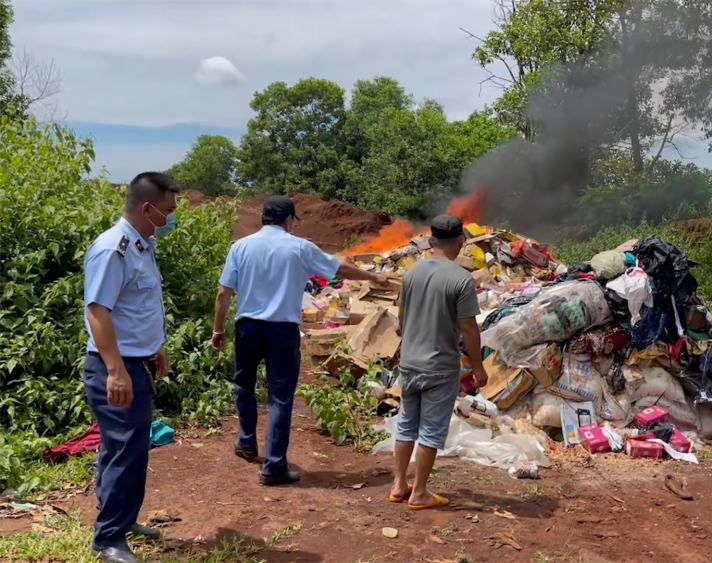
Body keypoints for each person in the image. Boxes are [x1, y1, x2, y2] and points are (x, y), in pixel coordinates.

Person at [211, 195, 388, 486]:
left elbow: (223, 293)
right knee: (281, 397)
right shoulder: (300, 247)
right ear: (289, 220)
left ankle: (246, 441)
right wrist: (372, 277)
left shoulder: (240, 247)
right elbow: (339, 268)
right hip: (282, 330)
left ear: (264, 217)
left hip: (248, 328)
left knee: (244, 385)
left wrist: (218, 331)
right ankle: (273, 466)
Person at [83, 172, 179, 563]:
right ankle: (108, 539)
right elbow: (98, 311)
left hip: (136, 362)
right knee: (128, 452)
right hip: (117, 367)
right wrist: (115, 370)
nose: (170, 217)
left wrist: (155, 348)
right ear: (147, 208)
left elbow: (135, 308)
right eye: (168, 210)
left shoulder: (142, 245)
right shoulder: (113, 249)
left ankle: (119, 520)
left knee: (118, 448)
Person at [389, 215, 488, 510]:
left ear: (431, 242)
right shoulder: (461, 279)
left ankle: (398, 485)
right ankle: (419, 493)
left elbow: (402, 319)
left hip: (410, 362)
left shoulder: (411, 274)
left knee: (406, 424)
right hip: (440, 367)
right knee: (431, 430)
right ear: (461, 242)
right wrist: (478, 366)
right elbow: (469, 328)